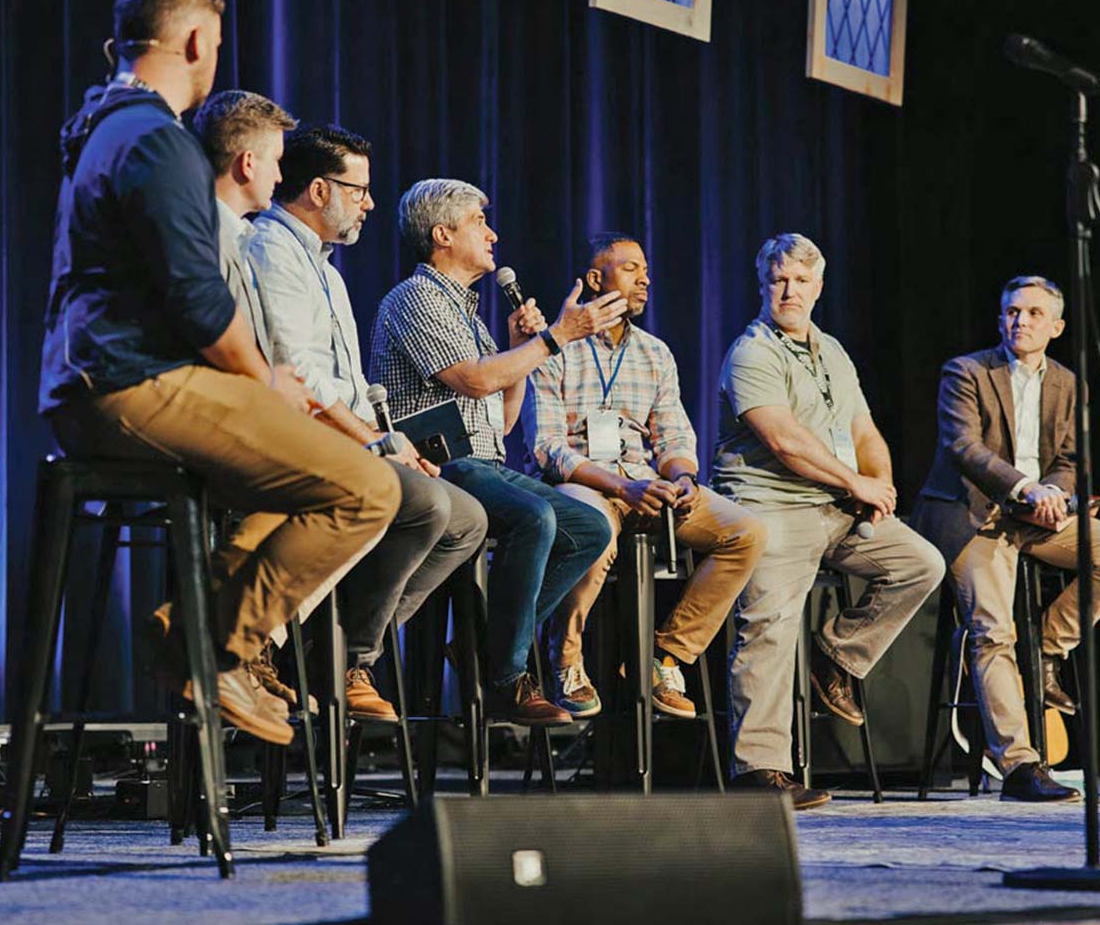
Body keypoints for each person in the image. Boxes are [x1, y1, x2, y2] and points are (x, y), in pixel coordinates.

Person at [37, 0, 399, 747]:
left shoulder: (107, 124)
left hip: (97, 383)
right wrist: (266, 380)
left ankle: (191, 626)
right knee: (369, 487)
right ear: (197, 37)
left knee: (304, 463)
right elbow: (201, 303)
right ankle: (219, 650)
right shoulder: (156, 141)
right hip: (128, 387)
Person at [246, 124, 488, 722]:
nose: (370, 203)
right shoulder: (272, 251)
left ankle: (334, 649)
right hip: (296, 441)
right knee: (431, 507)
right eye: (360, 190)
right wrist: (378, 442)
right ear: (321, 190)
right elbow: (296, 374)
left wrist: (393, 439)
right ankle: (339, 653)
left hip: (349, 435)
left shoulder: (326, 269)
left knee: (467, 519)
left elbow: (354, 389)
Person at [368, 178, 623, 725]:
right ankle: (507, 678)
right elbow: (473, 382)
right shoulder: (415, 299)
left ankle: (482, 648)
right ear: (442, 235)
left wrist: (516, 350)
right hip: (437, 466)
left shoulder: (468, 312)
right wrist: (554, 338)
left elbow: (501, 422)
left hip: (481, 462)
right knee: (533, 517)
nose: (493, 233)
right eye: (478, 223)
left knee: (590, 528)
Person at [713, 232, 944, 808]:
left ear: (819, 287)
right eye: (778, 280)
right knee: (768, 627)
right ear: (763, 284)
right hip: (771, 503)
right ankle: (760, 772)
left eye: (800, 280)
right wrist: (853, 482)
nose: (789, 290)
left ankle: (835, 658)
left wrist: (879, 484)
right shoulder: (751, 352)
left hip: (835, 505)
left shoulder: (832, 350)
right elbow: (785, 441)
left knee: (920, 562)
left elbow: (863, 430)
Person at [912, 275, 1100, 802]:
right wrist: (1025, 488)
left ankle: (1049, 648)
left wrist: (1055, 495)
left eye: (1035, 313)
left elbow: (1069, 461)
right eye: (1013, 312)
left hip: (1038, 515)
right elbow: (963, 449)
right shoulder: (966, 371)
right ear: (1001, 320)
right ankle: (1017, 764)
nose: (1022, 321)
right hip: (974, 514)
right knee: (993, 631)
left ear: (1056, 326)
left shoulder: (1068, 383)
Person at [531, 233, 766, 719]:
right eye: (631, 268)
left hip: (646, 482)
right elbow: (548, 448)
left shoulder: (655, 353)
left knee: (745, 532)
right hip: (585, 481)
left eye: (645, 269)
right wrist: (621, 487)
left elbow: (675, 437)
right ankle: (566, 657)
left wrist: (682, 479)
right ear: (597, 279)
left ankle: (666, 657)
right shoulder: (553, 348)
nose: (646, 279)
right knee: (590, 529)